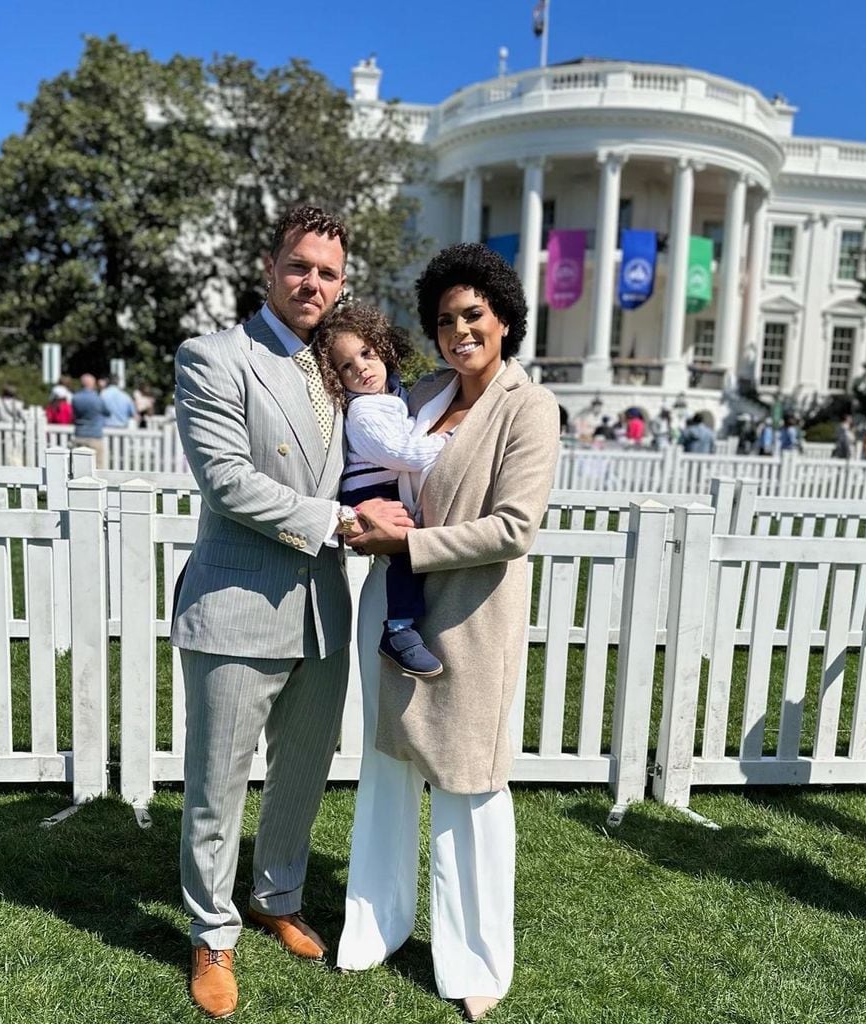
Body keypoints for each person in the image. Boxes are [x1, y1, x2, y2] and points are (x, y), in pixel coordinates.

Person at [170, 206, 410, 1018]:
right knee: (217, 785)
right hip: (237, 603)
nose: (314, 283)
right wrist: (344, 524)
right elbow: (227, 480)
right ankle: (212, 932)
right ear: (270, 268)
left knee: (301, 777)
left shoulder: (340, 370)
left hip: (321, 612)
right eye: (301, 266)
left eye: (330, 273)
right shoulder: (214, 357)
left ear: (343, 284)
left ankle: (277, 898)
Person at [337, 243, 561, 1022]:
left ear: (503, 317)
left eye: (473, 315)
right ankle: (376, 925)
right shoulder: (422, 395)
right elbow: (368, 474)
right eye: (444, 320)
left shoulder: (528, 406)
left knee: (470, 786)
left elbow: (514, 527)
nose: (459, 331)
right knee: (387, 770)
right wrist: (363, 522)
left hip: (469, 621)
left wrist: (407, 544)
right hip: (393, 613)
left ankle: (474, 959)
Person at [313, 303, 448, 678]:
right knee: (405, 548)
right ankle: (399, 630)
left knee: (408, 548)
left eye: (367, 354)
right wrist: (451, 442)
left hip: (386, 486)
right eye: (346, 366)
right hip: (368, 495)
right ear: (335, 376)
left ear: (382, 349)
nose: (361, 368)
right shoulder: (363, 413)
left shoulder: (392, 398)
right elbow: (403, 453)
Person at [71, 374, 110, 469]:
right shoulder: (97, 398)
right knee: (97, 467)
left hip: (79, 435)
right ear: (92, 384)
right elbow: (107, 412)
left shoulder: (75, 398)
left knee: (78, 467)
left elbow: (74, 413)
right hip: (94, 436)